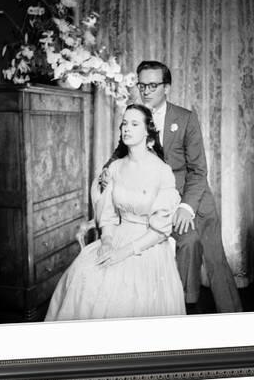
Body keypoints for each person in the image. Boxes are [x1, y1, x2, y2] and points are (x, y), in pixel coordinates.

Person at [45, 104, 186, 321]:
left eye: (134, 124)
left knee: (129, 294)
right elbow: (108, 215)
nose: (126, 128)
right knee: (84, 277)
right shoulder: (115, 168)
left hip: (148, 244)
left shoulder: (162, 171)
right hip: (117, 235)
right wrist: (108, 241)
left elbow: (160, 231)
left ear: (148, 131)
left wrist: (124, 252)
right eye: (124, 124)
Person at [133, 60, 242, 313]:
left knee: (215, 260)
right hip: (158, 200)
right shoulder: (135, 116)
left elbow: (199, 171)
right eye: (142, 85)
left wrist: (186, 207)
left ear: (166, 87)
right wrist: (108, 170)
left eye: (153, 85)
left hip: (194, 198)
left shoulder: (185, 118)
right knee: (188, 243)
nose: (146, 91)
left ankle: (234, 317)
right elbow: (122, 150)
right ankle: (182, 305)